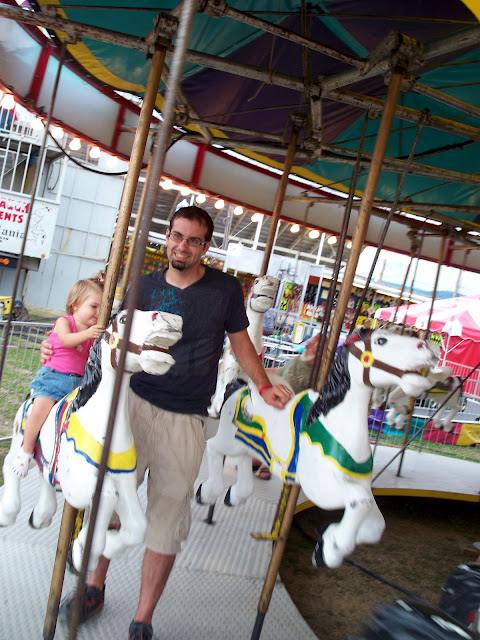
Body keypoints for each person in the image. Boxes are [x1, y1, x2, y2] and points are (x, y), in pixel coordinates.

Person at [42, 206, 292, 640]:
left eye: (194, 240)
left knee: (168, 516)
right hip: (134, 404)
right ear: (168, 237)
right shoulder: (144, 285)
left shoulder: (224, 290)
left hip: (187, 414)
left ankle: (143, 617)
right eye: (177, 236)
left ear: (206, 247)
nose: (183, 245)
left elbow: (241, 342)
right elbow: (113, 337)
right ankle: (93, 587)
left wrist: (264, 384)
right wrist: (60, 354)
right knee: (112, 500)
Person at [11, 278, 104, 478]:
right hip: (53, 378)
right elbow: (66, 340)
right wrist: (88, 334)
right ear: (76, 305)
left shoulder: (93, 334)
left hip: (78, 384)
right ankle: (25, 451)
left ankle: (62, 456)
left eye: (101, 308)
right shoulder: (65, 322)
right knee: (41, 408)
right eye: (94, 306)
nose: (98, 312)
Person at [254, 332, 321, 479]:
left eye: (316, 345)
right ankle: (259, 455)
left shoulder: (319, 374)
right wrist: (257, 373)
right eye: (311, 342)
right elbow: (278, 371)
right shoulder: (298, 360)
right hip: (279, 403)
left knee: (284, 426)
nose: (309, 345)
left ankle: (270, 463)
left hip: (296, 412)